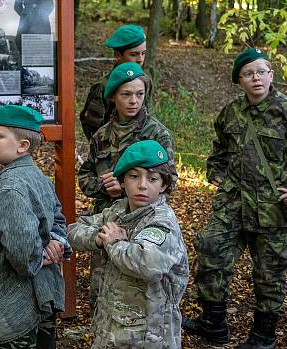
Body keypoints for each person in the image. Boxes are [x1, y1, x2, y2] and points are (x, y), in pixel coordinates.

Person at [183, 47, 287, 349]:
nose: (256, 78)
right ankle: (213, 324)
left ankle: (263, 336)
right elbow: (220, 148)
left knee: (269, 274)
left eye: (261, 71)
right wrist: (216, 172)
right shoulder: (231, 112)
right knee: (211, 250)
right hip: (233, 205)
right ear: (239, 80)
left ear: (271, 75)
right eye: (248, 74)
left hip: (273, 210)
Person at [69, 140, 189, 348]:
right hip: (112, 328)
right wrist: (99, 239)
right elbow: (74, 230)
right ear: (122, 182)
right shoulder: (118, 210)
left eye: (152, 178)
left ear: (164, 185)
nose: (142, 185)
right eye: (134, 176)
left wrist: (114, 243)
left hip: (149, 336)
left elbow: (147, 263)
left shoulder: (162, 221)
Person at [77, 61, 176, 304]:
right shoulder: (101, 136)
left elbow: (170, 180)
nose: (134, 100)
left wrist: (126, 186)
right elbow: (84, 176)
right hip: (108, 220)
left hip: (145, 220)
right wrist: (102, 186)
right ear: (113, 97)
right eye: (126, 94)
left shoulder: (156, 133)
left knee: (139, 292)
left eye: (139, 94)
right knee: (102, 292)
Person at [0, 105, 70, 348]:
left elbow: (23, 254)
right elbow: (60, 222)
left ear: (23, 146)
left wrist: (41, 255)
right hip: (44, 297)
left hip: (15, 306)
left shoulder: (10, 188)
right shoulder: (38, 177)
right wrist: (55, 244)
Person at [79, 24, 148, 140]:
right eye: (134, 54)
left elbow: (146, 113)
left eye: (143, 53)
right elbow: (92, 125)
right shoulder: (103, 86)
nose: (140, 59)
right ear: (118, 55)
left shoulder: (145, 80)